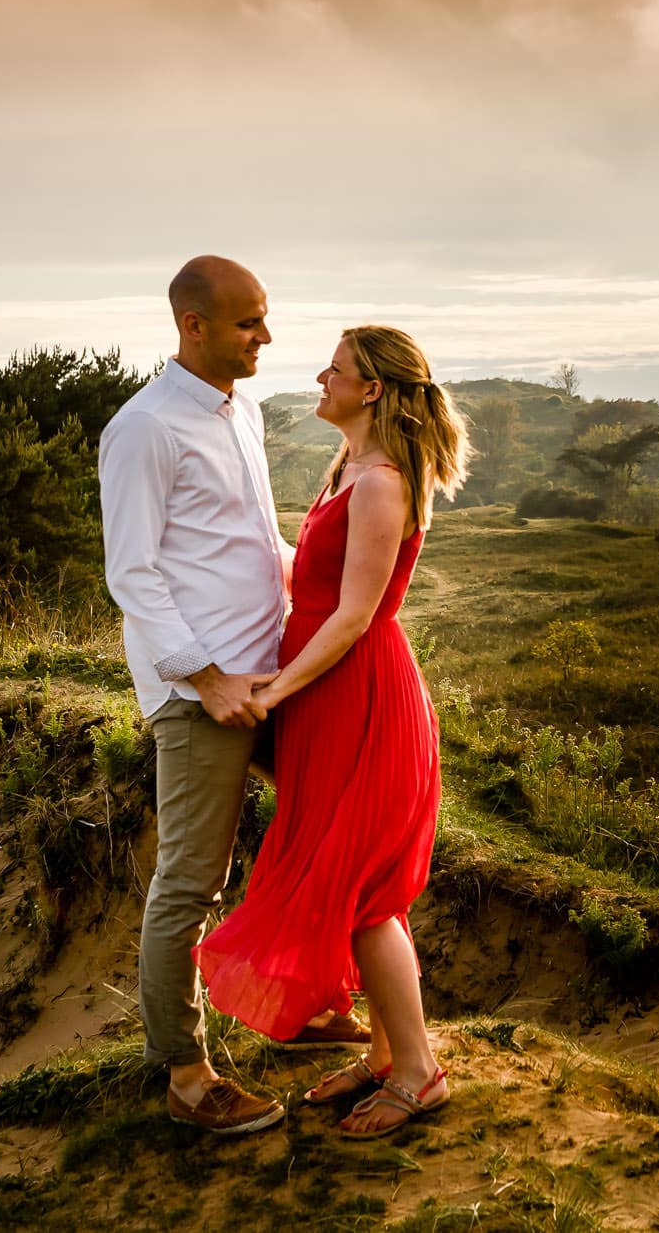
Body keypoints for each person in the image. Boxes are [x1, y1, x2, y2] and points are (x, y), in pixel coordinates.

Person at [194, 324, 470, 1138]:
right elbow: (306, 576)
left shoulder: (381, 481)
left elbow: (353, 617)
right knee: (359, 883)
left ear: (374, 389)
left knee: (363, 891)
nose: (321, 375)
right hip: (330, 697)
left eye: (337, 369)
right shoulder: (348, 467)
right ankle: (388, 1055)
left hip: (358, 696)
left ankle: (420, 1074)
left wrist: (276, 688)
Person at [99, 255, 324, 1136]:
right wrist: (206, 676)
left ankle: (303, 1001)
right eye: (248, 322)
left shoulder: (244, 409)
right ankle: (185, 1074)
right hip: (205, 694)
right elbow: (134, 573)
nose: (266, 336)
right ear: (193, 324)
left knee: (320, 826)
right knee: (190, 880)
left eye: (265, 318)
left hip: (268, 672)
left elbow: (254, 538)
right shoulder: (145, 428)